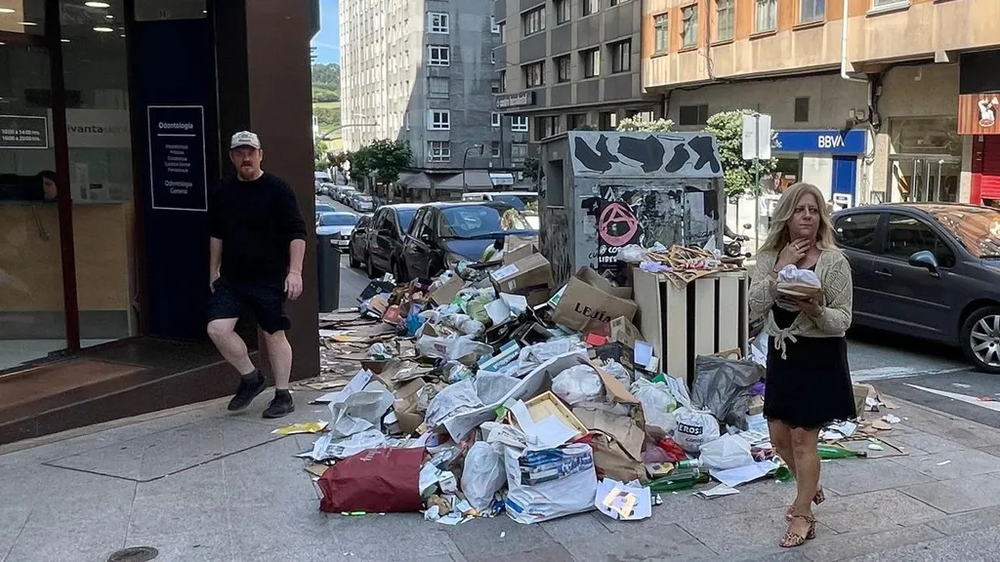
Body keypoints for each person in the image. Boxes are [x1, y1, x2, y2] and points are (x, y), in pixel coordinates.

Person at [747, 182, 855, 548]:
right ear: (786, 216)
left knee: (802, 438)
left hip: (819, 357)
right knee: (779, 440)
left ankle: (802, 513)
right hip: (784, 354)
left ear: (821, 216)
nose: (807, 216)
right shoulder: (769, 258)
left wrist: (816, 309)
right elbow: (754, 305)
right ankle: (811, 486)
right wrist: (781, 268)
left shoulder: (833, 261)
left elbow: (843, 321)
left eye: (813, 209)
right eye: (799, 209)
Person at [207, 131, 307, 419]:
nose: (246, 158)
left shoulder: (277, 189)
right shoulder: (223, 191)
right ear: (232, 157)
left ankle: (283, 394)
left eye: (250, 152)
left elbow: (297, 232)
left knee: (273, 333)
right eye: (239, 153)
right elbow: (216, 234)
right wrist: (213, 271)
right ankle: (251, 378)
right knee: (217, 329)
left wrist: (295, 272)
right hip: (233, 278)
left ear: (260, 154)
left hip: (270, 277)